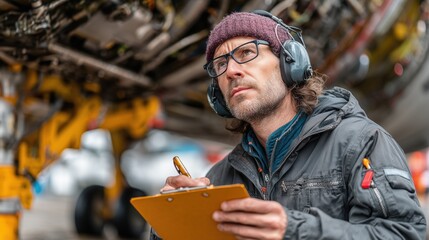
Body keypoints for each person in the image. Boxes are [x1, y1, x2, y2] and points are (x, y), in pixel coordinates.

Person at [151, 10, 427, 239]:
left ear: (289, 63)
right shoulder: (223, 176)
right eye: (220, 64)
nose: (231, 71)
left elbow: (403, 233)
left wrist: (295, 230)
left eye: (246, 53)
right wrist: (172, 220)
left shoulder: (361, 143)